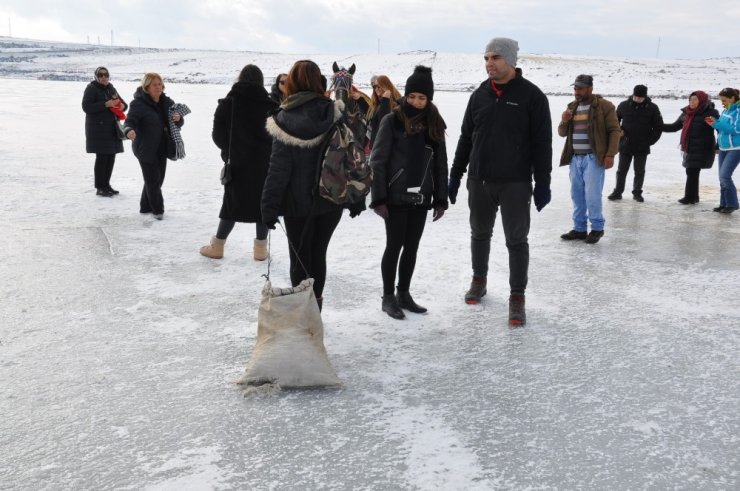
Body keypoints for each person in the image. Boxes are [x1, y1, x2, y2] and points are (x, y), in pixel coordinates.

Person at [449, 37, 552, 325]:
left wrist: (542, 182)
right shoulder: (479, 95)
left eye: (495, 57)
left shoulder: (532, 96)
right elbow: (466, 138)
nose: (489, 63)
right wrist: (456, 174)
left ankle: (517, 296)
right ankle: (479, 280)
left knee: (516, 240)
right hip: (480, 178)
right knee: (479, 233)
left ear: (510, 60)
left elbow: (542, 144)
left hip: (515, 182)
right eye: (486, 58)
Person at [261, 60, 363, 311]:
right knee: (318, 254)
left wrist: (268, 206)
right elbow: (352, 154)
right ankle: (315, 309)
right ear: (321, 82)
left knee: (300, 258)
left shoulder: (283, 118)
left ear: (291, 84)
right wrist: (356, 196)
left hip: (297, 204)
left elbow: (278, 170)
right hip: (330, 199)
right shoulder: (335, 112)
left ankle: (304, 312)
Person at [369, 65, 448, 320]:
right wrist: (379, 198)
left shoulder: (434, 122)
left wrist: (441, 198)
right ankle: (388, 297)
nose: (416, 101)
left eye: (422, 98)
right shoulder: (392, 120)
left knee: (412, 247)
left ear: (429, 99)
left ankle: (404, 293)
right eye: (412, 96)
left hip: (421, 196)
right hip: (395, 196)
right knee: (394, 246)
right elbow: (378, 161)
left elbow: (440, 163)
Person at [200, 65, 278, 260]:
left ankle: (217, 246)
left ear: (240, 79)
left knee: (232, 204)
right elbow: (278, 138)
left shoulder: (228, 104)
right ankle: (260, 251)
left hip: (237, 163)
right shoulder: (270, 106)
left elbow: (218, 137)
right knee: (263, 205)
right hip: (265, 164)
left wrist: (231, 150)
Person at [558, 74, 620, 244]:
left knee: (592, 195)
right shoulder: (572, 107)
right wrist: (564, 121)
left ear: (590, 88)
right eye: (575, 88)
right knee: (577, 195)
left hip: (593, 158)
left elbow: (615, 131)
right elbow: (562, 133)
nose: (577, 91)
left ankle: (597, 228)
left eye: (580, 88)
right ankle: (579, 229)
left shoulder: (604, 106)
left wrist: (610, 154)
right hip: (575, 158)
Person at [123, 72, 184, 220]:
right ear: (146, 87)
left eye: (160, 84)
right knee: (152, 180)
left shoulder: (168, 103)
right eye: (154, 85)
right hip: (145, 147)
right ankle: (158, 211)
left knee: (158, 179)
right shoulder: (138, 103)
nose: (158, 87)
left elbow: (177, 123)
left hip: (162, 147)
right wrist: (128, 131)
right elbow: (129, 121)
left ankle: (145, 207)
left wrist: (179, 119)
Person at [661, 90, 719, 205]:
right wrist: (658, 126)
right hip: (689, 147)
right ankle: (693, 197)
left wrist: (718, 145)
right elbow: (674, 127)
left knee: (692, 171)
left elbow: (719, 129)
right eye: (690, 99)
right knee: (691, 171)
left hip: (703, 148)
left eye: (695, 99)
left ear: (702, 100)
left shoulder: (707, 113)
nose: (691, 102)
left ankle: (690, 197)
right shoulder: (687, 113)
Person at [608, 84, 663, 202]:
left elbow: (658, 127)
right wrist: (619, 133)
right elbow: (615, 121)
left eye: (640, 97)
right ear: (633, 95)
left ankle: (637, 193)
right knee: (621, 170)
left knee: (639, 171)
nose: (638, 99)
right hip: (625, 144)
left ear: (645, 96)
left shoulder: (652, 108)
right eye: (636, 97)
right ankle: (618, 192)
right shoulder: (623, 105)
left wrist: (649, 141)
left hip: (642, 145)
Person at [82, 66, 128, 197]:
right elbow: (86, 106)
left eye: (106, 75)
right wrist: (105, 104)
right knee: (102, 158)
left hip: (112, 128)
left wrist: (122, 106)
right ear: (96, 76)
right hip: (98, 129)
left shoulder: (111, 88)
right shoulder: (91, 88)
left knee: (111, 157)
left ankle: (107, 185)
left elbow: (124, 104)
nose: (103, 77)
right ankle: (100, 187)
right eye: (101, 75)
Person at [706, 87, 740, 214]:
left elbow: (736, 129)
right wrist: (714, 123)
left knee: (725, 176)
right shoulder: (726, 110)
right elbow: (722, 128)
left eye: (724, 100)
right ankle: (724, 203)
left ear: (732, 98)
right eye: (721, 101)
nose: (723, 103)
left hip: (736, 148)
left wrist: (717, 124)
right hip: (724, 147)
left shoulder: (738, 111)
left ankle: (732, 204)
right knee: (722, 177)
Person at [366, 75, 401, 149]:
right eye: (374, 87)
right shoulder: (379, 103)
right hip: (377, 145)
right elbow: (371, 118)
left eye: (379, 86)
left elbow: (384, 122)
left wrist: (385, 100)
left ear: (385, 86)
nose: (376, 89)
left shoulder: (395, 104)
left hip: (386, 147)